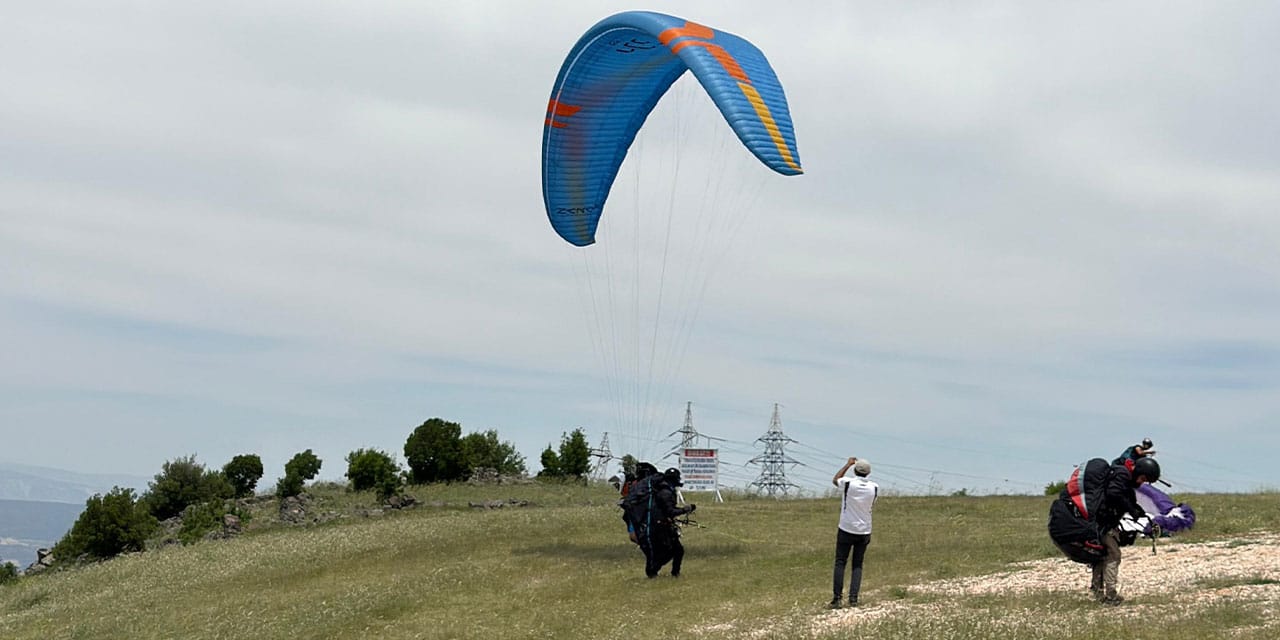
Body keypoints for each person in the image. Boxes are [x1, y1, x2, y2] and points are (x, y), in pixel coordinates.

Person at [1090, 456, 1160, 604]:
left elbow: (1126, 499)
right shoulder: (1122, 475)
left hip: (1102, 523)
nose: (1142, 482)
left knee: (1102, 555)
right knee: (1114, 555)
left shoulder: (1124, 480)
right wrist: (1131, 509)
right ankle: (1110, 596)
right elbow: (1114, 494)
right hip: (1103, 524)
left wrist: (1137, 510)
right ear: (1138, 472)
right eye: (1143, 478)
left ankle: (1097, 591)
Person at [830, 457, 878, 609]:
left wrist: (847, 464)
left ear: (855, 470)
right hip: (864, 529)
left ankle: (837, 598)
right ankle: (853, 598)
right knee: (857, 564)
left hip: (846, 527)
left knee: (840, 562)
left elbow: (835, 479)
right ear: (868, 473)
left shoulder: (848, 483)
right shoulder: (874, 487)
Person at [641, 467, 695, 578]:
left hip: (661, 525)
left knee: (677, 550)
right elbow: (670, 511)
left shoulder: (664, 490)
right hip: (660, 527)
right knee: (670, 551)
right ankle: (653, 570)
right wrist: (685, 509)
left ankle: (674, 573)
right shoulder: (665, 493)